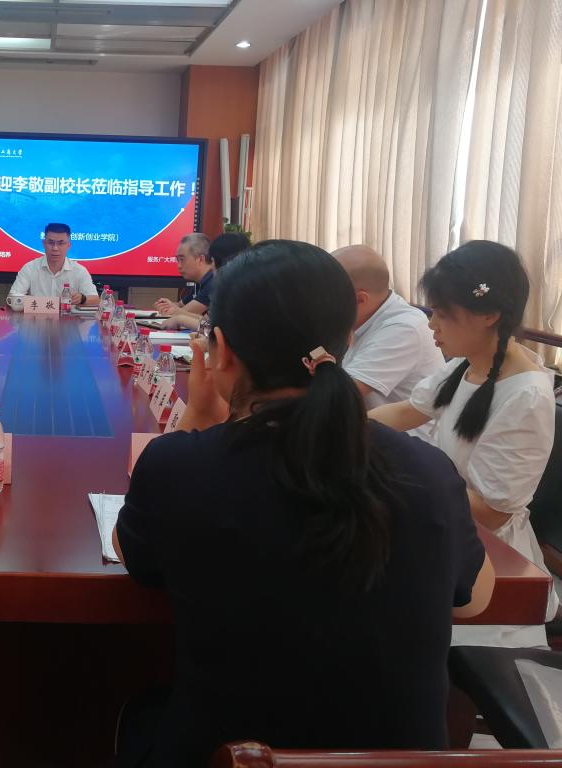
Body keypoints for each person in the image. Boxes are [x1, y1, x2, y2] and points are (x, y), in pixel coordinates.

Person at [113, 239, 492, 765]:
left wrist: (196, 417)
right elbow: (473, 599)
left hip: (228, 757)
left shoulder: (179, 467)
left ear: (220, 350)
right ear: (348, 338)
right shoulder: (427, 470)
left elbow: (133, 556)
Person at [370, 240, 558, 647]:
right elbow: (408, 411)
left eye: (443, 315)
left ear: (489, 315)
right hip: (445, 519)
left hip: (485, 555)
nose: (431, 326)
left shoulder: (526, 396)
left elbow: (491, 513)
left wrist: (406, 474)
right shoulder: (466, 363)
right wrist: (341, 426)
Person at [333, 245, 444, 408]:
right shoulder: (365, 314)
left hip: (395, 425)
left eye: (325, 295)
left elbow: (337, 396)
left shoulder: (404, 328)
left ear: (360, 299)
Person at [159, 232, 251, 330]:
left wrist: (179, 317)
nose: (211, 267)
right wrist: (177, 315)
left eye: (212, 261)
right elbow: (209, 321)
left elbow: (214, 328)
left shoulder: (216, 285)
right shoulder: (240, 288)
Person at [7, 223, 99, 307]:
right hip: (36, 319)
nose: (55, 248)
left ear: (68, 245)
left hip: (67, 319)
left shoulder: (79, 271)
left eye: (61, 243)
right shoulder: (30, 268)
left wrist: (83, 298)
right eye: (51, 243)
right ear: (44, 244)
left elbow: (95, 299)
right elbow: (13, 297)